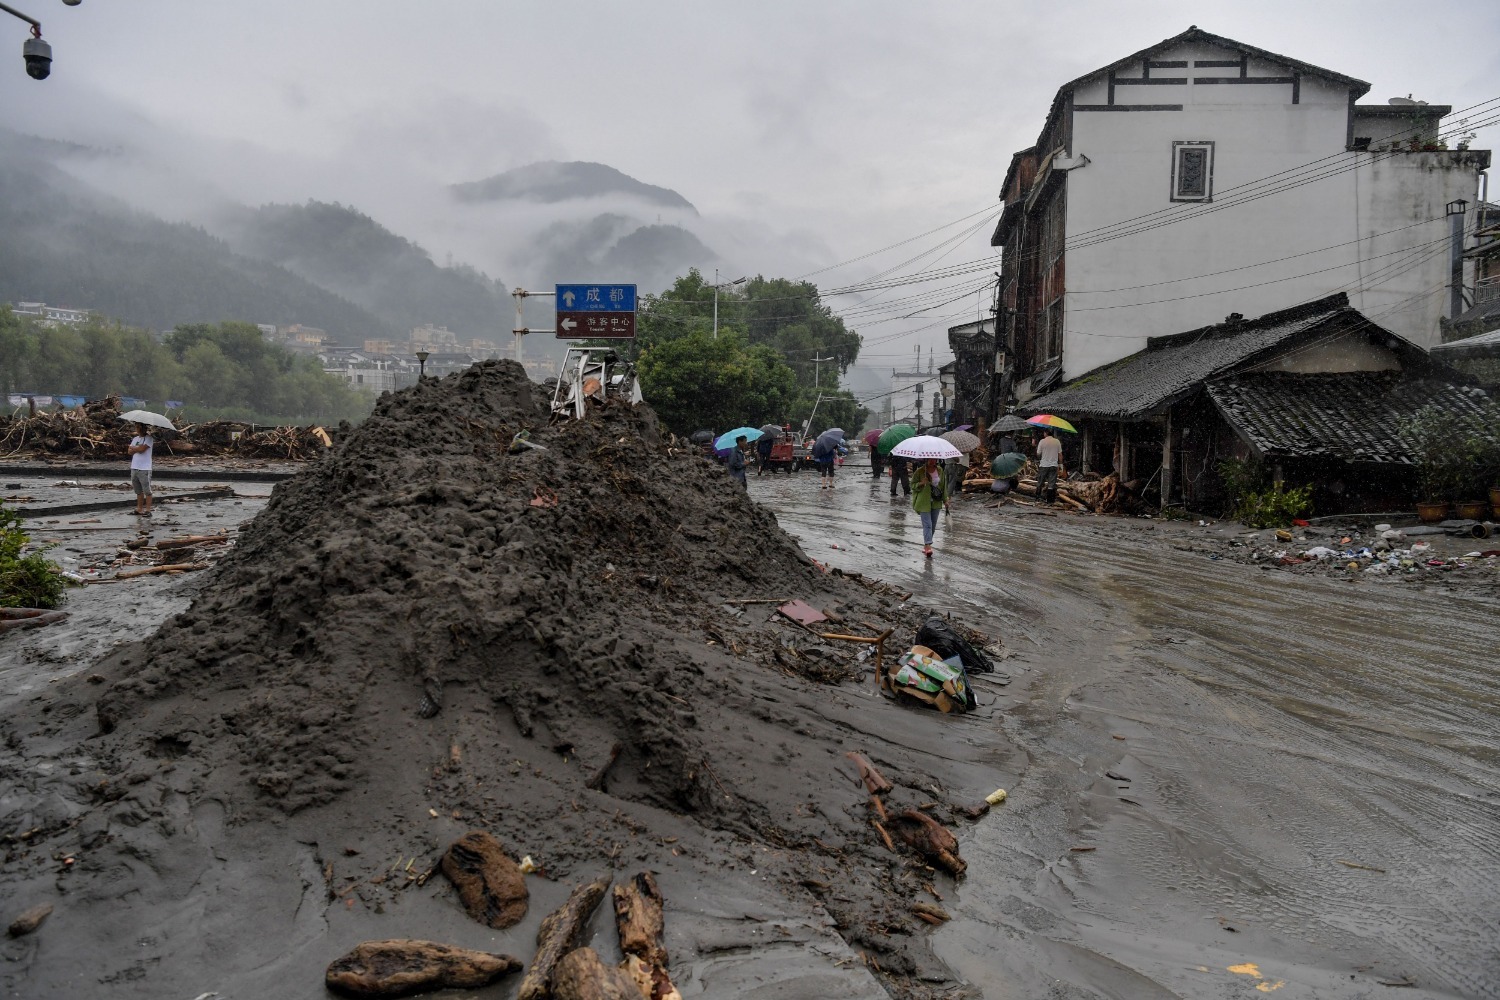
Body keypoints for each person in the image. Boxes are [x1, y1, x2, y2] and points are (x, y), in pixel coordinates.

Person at [912, 457, 949, 558]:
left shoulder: (940, 470)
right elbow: (912, 485)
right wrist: (921, 483)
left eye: (934, 459)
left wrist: (945, 499)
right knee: (927, 525)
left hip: (936, 502)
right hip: (923, 502)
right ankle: (928, 546)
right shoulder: (920, 471)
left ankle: (926, 545)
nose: (932, 461)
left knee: (932, 525)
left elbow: (943, 486)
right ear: (926, 459)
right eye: (930, 459)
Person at [128, 422, 154, 516]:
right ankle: (139, 509)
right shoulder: (135, 439)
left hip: (144, 468)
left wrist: (134, 448)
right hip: (134, 466)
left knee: (147, 490)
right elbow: (129, 451)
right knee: (138, 490)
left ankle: (148, 510)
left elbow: (141, 450)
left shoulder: (149, 438)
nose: (137, 428)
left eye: (139, 427)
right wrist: (136, 448)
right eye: (137, 427)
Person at [1036, 427, 1064, 504]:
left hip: (1044, 465)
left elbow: (1038, 454)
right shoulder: (1057, 441)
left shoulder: (1042, 441)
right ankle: (1050, 500)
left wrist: (1041, 456)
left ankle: (1037, 497)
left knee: (1040, 482)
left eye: (1044, 432)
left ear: (1046, 433)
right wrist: (1061, 464)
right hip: (1053, 465)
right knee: (1051, 483)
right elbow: (1060, 455)